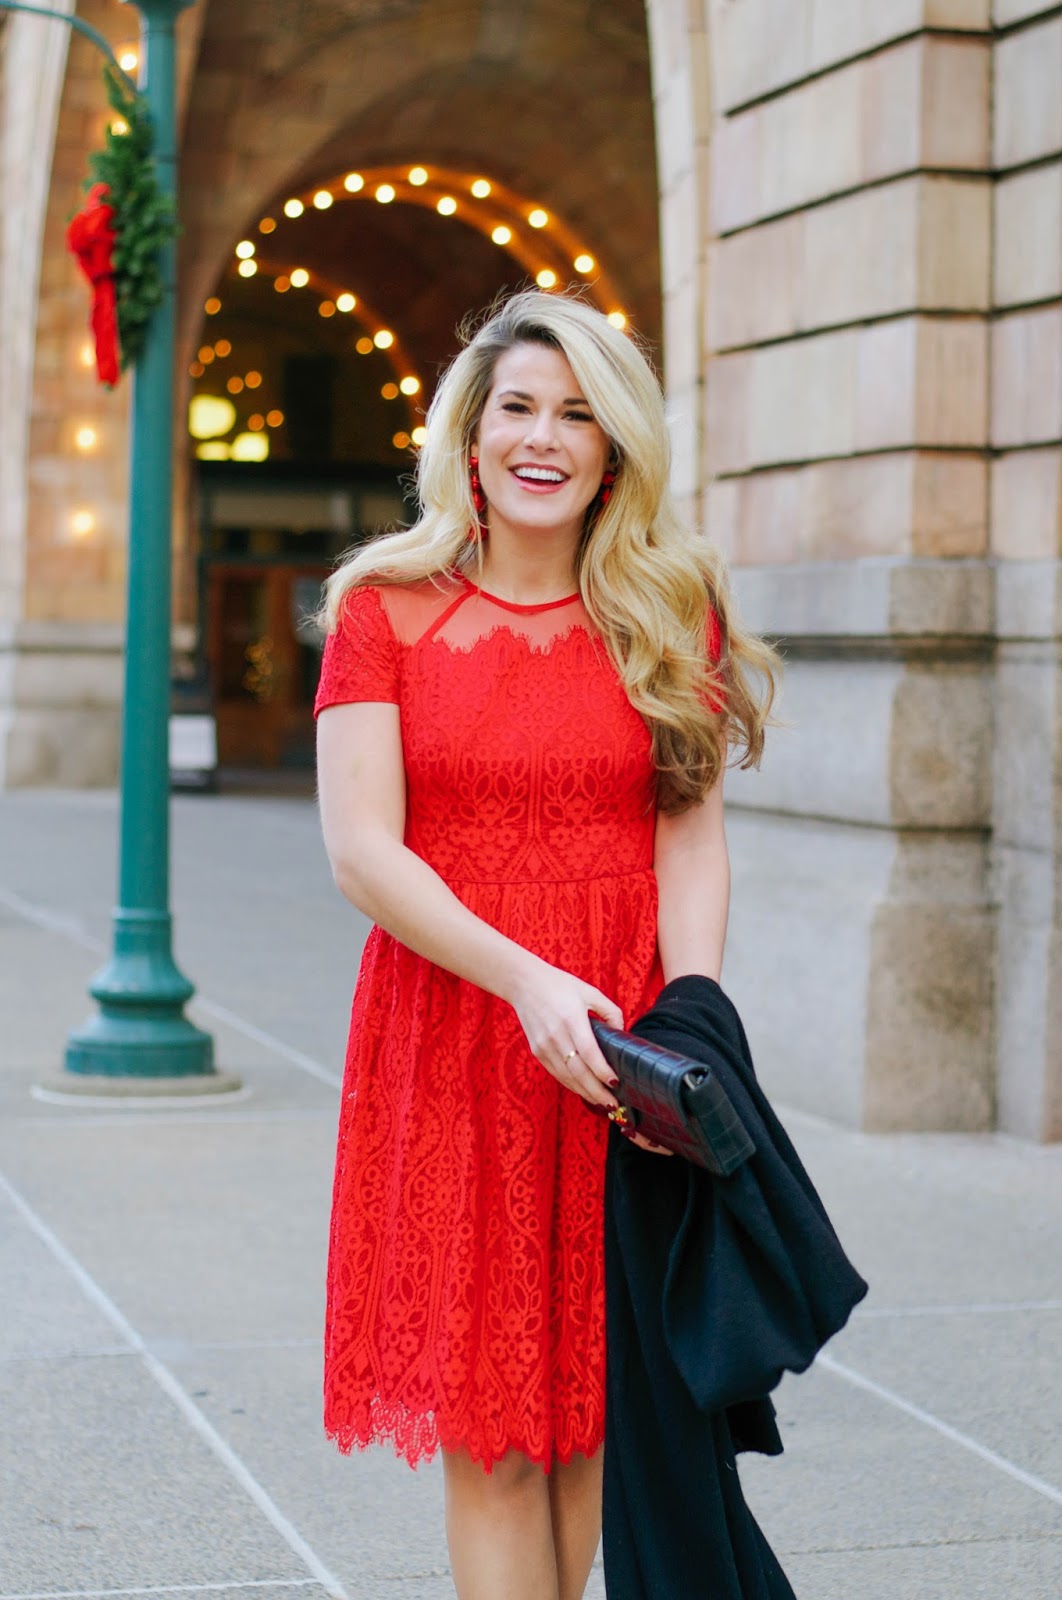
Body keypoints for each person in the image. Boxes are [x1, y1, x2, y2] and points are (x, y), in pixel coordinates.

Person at [314, 288, 778, 1600]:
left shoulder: (664, 607)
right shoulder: (384, 610)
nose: (543, 436)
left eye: (577, 414)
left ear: (614, 447)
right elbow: (361, 849)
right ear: (469, 433)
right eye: (517, 406)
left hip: (621, 1056)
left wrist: (688, 1018)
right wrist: (524, 982)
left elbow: (687, 833)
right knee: (499, 1438)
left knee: (601, 1425)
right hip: (460, 1039)